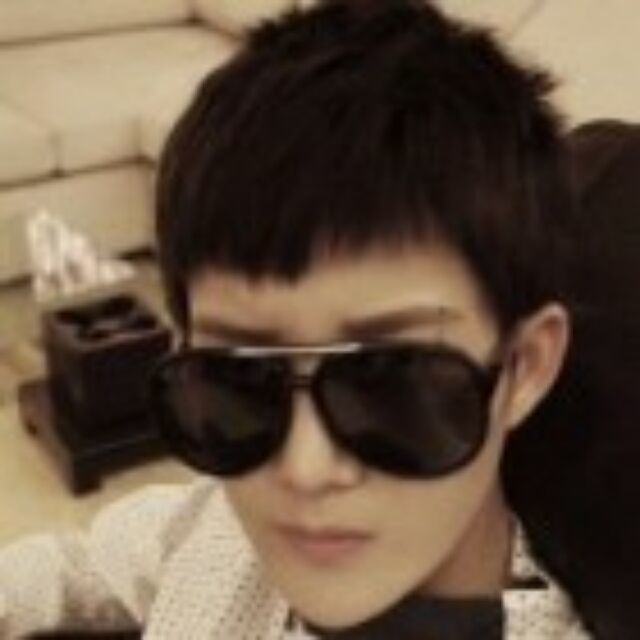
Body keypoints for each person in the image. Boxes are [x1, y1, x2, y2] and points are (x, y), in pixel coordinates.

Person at [1, 1, 637, 637]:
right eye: (238, 381)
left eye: (392, 383)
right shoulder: (212, 526)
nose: (304, 469)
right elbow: (75, 566)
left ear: (524, 365)